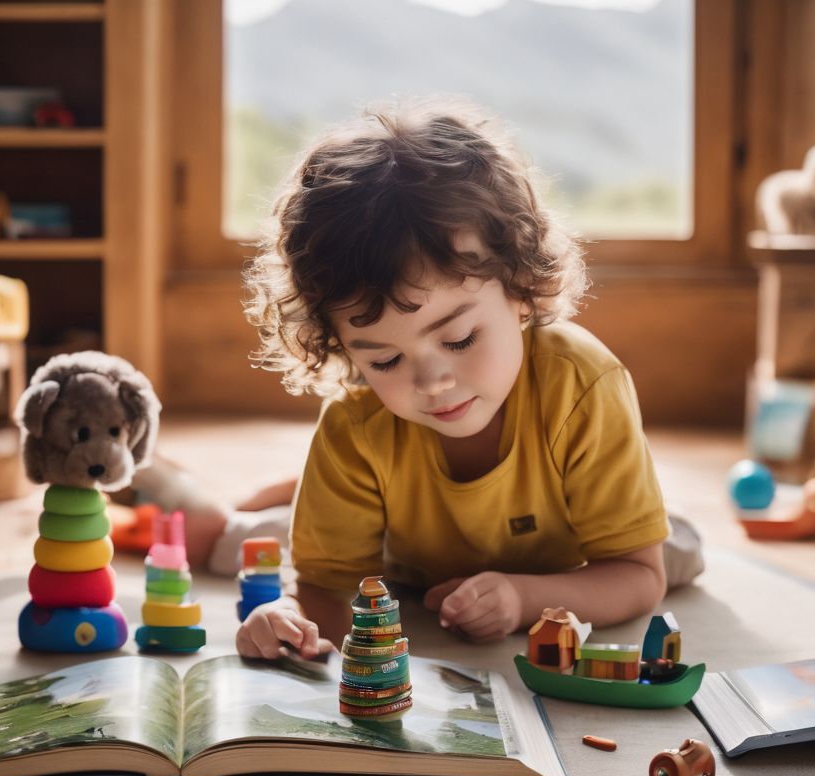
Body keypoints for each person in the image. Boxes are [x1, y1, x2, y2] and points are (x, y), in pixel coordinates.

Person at [235, 100, 702, 660]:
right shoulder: (355, 425)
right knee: (261, 539)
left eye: (457, 340)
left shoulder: (582, 386)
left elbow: (636, 576)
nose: (432, 382)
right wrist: (291, 622)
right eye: (384, 362)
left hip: (574, 554)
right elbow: (326, 587)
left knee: (678, 553)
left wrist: (523, 597)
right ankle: (294, 493)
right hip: (416, 566)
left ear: (523, 290)